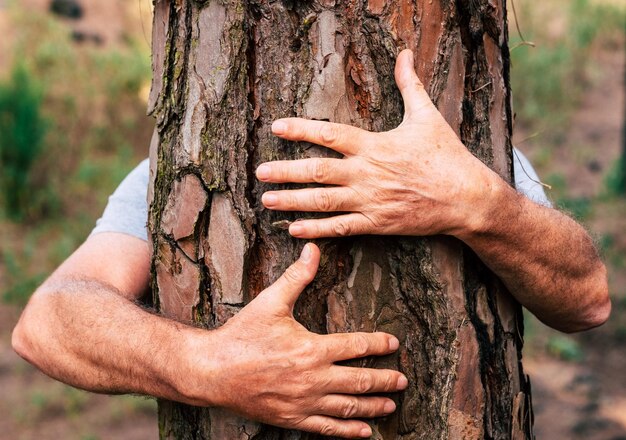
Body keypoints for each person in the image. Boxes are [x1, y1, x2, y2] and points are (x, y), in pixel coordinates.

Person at [11, 50, 610, 439]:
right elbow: (46, 323)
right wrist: (207, 365)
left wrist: (477, 204)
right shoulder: (182, 165)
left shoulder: (469, 155)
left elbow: (587, 301)